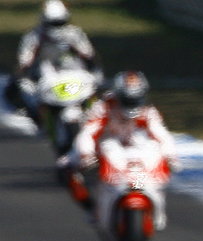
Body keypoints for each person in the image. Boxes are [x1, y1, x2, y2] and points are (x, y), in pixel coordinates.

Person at [65, 71, 177, 220]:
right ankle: (91, 207)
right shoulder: (103, 106)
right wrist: (87, 153)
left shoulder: (148, 110)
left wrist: (170, 155)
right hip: (103, 145)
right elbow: (87, 132)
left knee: (156, 162)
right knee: (66, 167)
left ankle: (153, 205)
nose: (132, 102)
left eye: (136, 98)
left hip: (135, 149)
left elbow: (161, 133)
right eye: (127, 98)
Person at [6, 0, 99, 120]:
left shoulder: (75, 34)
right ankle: (37, 116)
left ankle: (90, 115)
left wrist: (76, 49)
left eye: (59, 22)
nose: (57, 27)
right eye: (53, 23)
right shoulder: (34, 36)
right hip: (46, 76)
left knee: (95, 87)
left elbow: (89, 56)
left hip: (74, 74)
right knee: (21, 87)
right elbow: (24, 63)